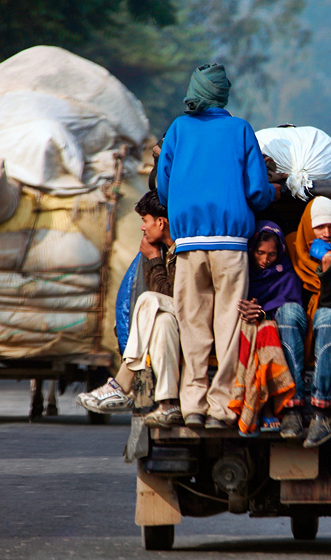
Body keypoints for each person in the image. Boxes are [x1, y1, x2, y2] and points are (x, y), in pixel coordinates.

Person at [156, 63, 275, 429]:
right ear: (223, 95)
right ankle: (221, 409)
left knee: (192, 324)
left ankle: (192, 404)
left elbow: (163, 187)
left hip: (188, 243)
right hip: (232, 245)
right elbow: (257, 191)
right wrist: (272, 192)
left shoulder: (178, 129)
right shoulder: (240, 130)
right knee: (228, 325)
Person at [77, 190, 182, 428]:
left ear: (161, 222)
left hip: (194, 317)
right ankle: (168, 405)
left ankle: (122, 384)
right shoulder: (162, 251)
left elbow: (169, 295)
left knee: (148, 300)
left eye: (145, 221)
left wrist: (154, 259)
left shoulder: (182, 250)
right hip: (176, 320)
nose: (143, 228)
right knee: (163, 322)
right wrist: (154, 258)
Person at [283, 196, 331, 447]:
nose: (327, 233)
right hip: (302, 325)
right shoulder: (292, 245)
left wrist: (328, 267)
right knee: (287, 312)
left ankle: (322, 411)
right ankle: (292, 407)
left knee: (325, 315)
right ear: (308, 227)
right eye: (320, 226)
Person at [229, 221, 301, 437]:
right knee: (255, 330)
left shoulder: (285, 272)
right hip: (248, 326)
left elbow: (290, 303)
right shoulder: (241, 269)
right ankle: (262, 405)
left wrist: (263, 313)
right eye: (260, 253)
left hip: (277, 329)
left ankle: (263, 405)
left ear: (279, 253)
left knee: (267, 329)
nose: (264, 260)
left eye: (271, 254)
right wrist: (247, 311)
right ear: (251, 249)